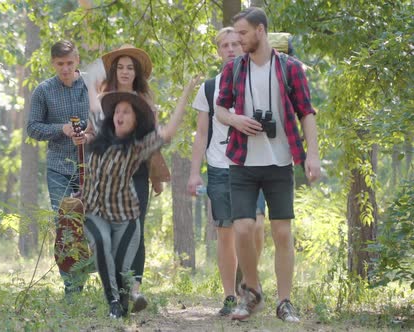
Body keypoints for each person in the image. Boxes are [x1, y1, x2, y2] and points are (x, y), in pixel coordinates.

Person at [215, 7, 321, 322]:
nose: (238, 40)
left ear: (260, 31)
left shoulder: (290, 68)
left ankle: (285, 301)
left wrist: (312, 154)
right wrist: (235, 118)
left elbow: (307, 113)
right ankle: (252, 292)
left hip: (279, 161)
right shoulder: (234, 69)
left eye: (243, 33)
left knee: (283, 233)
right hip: (242, 161)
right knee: (243, 228)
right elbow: (221, 109)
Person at [83, 77, 199, 319]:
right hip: (94, 211)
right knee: (102, 244)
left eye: (126, 112)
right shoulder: (100, 133)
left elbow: (168, 132)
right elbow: (95, 106)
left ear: (136, 120)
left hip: (126, 216)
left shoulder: (138, 146)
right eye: (117, 111)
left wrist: (186, 92)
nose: (119, 115)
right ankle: (114, 302)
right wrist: (92, 86)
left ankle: (123, 300)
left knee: (121, 269)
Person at [78, 45, 169, 313]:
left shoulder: (146, 102)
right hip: (105, 179)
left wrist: (156, 178)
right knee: (106, 234)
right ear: (114, 71)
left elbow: (152, 143)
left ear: (136, 73)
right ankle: (115, 291)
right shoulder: (103, 99)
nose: (126, 72)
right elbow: (92, 129)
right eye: (121, 67)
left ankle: (134, 287)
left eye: (131, 68)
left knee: (135, 229)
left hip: (137, 172)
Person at [187, 27, 266, 317]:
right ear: (219, 51)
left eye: (236, 44)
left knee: (256, 225)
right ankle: (231, 296)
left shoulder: (258, 82)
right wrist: (195, 173)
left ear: (244, 47)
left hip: (253, 166)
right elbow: (200, 133)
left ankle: (250, 285)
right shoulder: (209, 88)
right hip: (219, 168)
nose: (231, 49)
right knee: (226, 234)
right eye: (225, 45)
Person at [26, 40, 90, 296]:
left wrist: (88, 133)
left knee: (95, 223)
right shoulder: (43, 91)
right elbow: (32, 128)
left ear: (77, 60)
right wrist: (60, 129)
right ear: (53, 63)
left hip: (92, 167)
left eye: (69, 63)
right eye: (60, 64)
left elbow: (105, 117)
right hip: (58, 168)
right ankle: (73, 290)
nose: (65, 68)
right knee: (66, 225)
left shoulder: (92, 86)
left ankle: (106, 280)